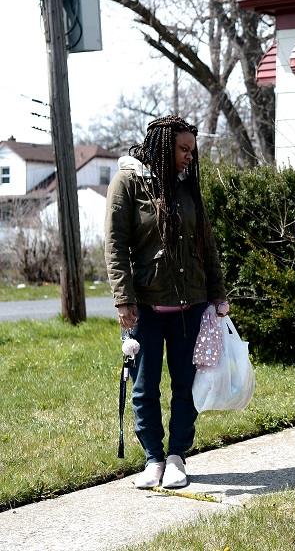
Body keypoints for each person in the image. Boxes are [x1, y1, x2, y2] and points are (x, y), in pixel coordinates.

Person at [105, 115, 229, 490]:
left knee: (186, 385)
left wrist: (218, 293)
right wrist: (123, 299)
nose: (189, 156)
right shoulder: (129, 182)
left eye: (192, 150)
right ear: (163, 145)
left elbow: (205, 244)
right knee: (144, 386)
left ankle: (177, 456)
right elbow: (115, 246)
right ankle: (153, 459)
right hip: (145, 307)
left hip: (189, 307)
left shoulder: (187, 186)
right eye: (183, 149)